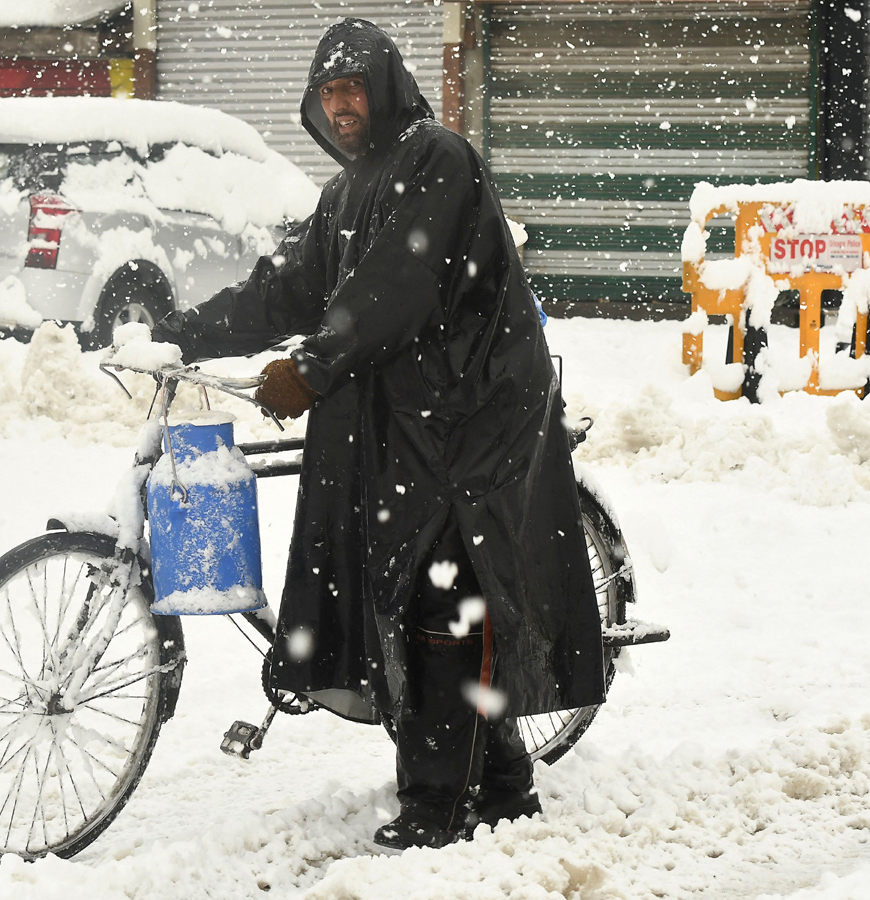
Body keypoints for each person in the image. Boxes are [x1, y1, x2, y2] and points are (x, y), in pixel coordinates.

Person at [152, 17, 605, 851]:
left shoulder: (436, 158)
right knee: (426, 596)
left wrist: (315, 367)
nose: (339, 105)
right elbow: (293, 291)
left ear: (385, 88)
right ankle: (502, 781)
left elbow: (396, 288)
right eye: (327, 93)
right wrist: (184, 329)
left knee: (441, 599)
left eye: (352, 88)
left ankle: (436, 807)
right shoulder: (350, 190)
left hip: (474, 413)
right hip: (412, 419)